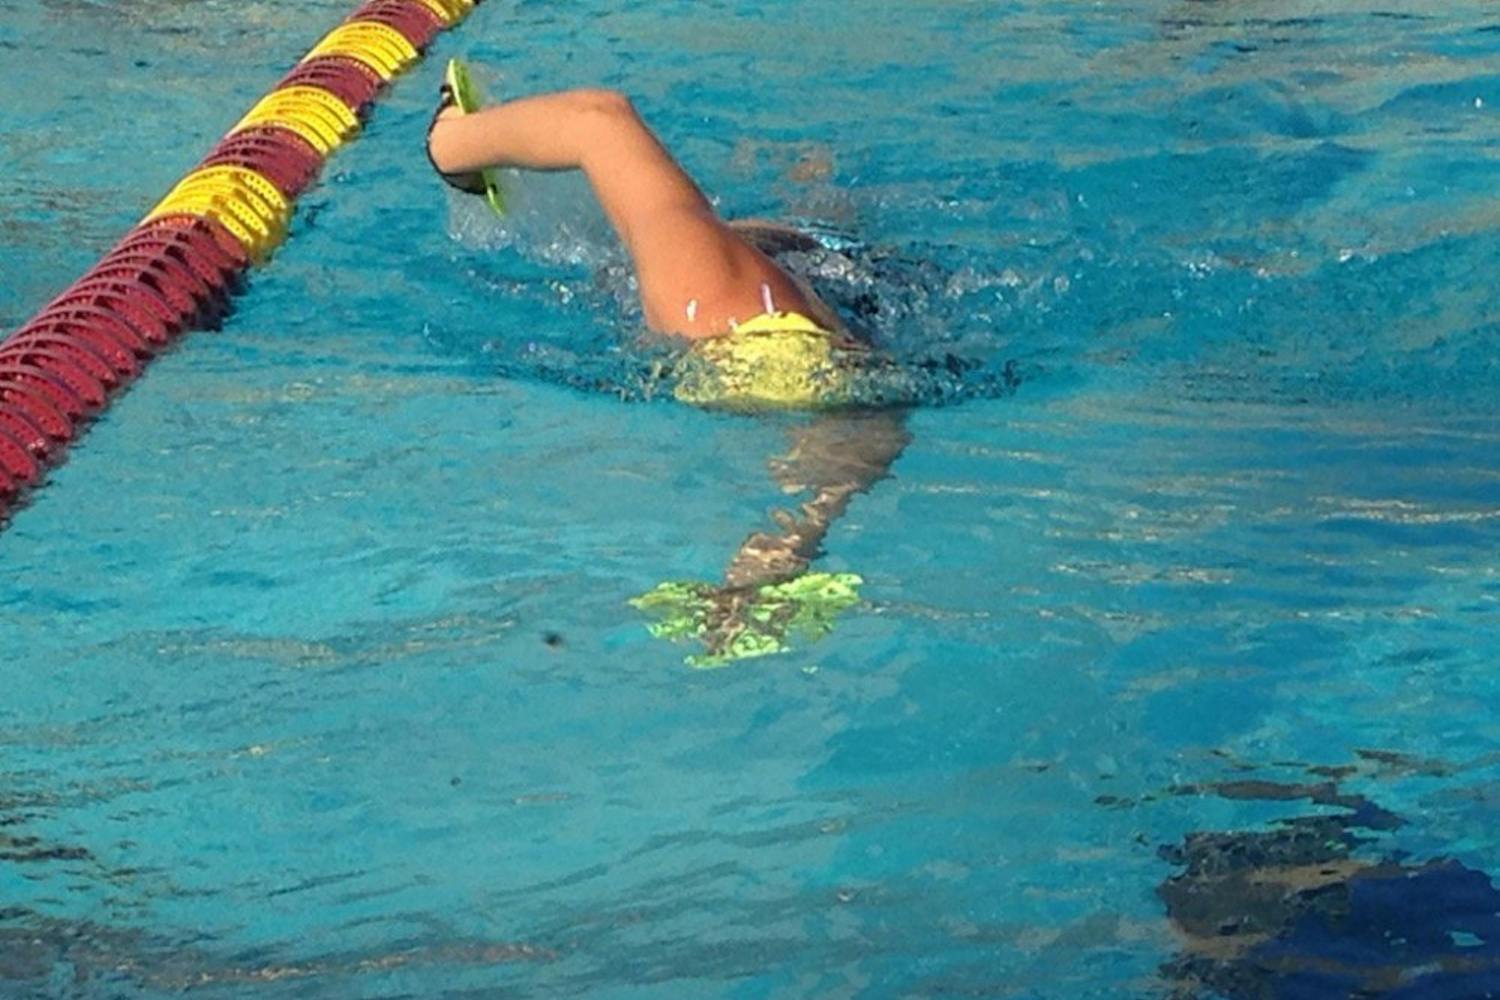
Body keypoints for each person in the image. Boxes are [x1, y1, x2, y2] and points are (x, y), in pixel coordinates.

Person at [426, 64, 909, 662]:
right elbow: (866, 425)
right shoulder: (768, 280)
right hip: (808, 365)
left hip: (761, 339)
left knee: (609, 129)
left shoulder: (711, 279)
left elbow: (599, 118)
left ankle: (449, 146)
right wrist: (783, 550)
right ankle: (766, 569)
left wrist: (451, 139)